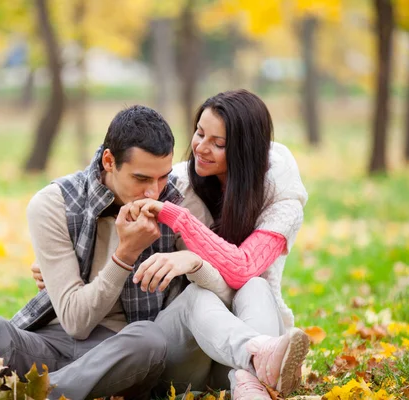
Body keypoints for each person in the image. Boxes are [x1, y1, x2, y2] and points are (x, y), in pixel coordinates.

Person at [0, 105, 228, 400]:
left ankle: (27, 394)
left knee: (148, 338)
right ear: (109, 161)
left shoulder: (181, 204)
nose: (154, 192)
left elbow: (221, 282)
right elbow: (77, 321)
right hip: (57, 338)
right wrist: (124, 255)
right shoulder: (53, 204)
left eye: (162, 177)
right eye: (141, 178)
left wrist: (185, 257)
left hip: (123, 351)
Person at [128, 89, 310, 399]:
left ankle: (250, 380)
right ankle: (255, 369)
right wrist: (67, 257)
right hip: (188, 353)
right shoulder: (178, 183)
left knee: (255, 285)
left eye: (219, 143)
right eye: (199, 133)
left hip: (245, 338)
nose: (201, 147)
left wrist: (181, 220)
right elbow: (114, 177)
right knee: (198, 295)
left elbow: (243, 269)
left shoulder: (282, 201)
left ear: (245, 151)